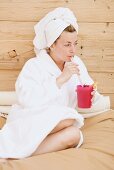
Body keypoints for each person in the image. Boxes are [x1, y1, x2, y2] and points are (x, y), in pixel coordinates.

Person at [0, 7, 110, 160]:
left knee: (74, 134)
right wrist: (60, 79)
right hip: (29, 120)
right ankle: (14, 145)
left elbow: (89, 92)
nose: (73, 50)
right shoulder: (34, 66)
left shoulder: (76, 64)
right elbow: (28, 100)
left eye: (75, 43)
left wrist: (92, 96)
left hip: (58, 125)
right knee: (69, 119)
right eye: (67, 45)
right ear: (52, 44)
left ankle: (17, 154)